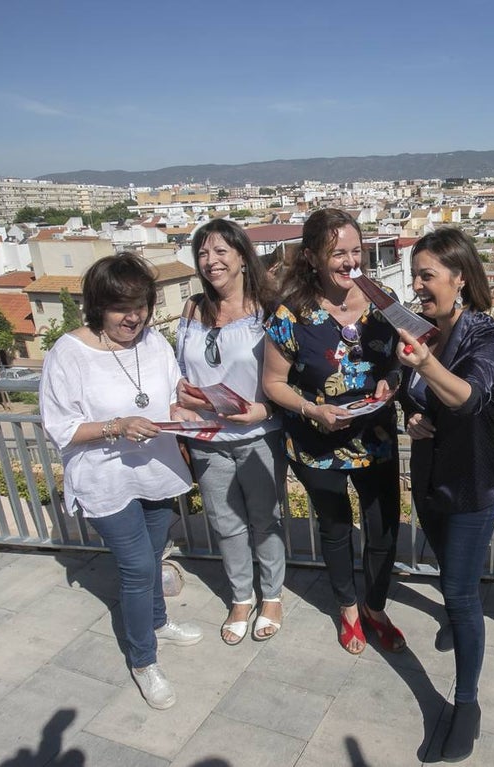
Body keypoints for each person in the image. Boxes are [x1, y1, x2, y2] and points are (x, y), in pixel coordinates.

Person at [40, 251, 202, 710]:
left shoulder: (153, 343)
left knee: (152, 557)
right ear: (98, 307)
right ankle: (143, 659)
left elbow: (171, 393)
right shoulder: (68, 354)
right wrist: (117, 425)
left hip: (155, 469)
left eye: (141, 305)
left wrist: (180, 410)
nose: (133, 317)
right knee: (136, 568)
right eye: (120, 308)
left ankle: (156, 621)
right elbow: (61, 428)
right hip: (104, 478)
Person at [262, 208, 405, 655]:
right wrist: (311, 408)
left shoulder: (383, 300)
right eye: (337, 253)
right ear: (312, 258)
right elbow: (272, 383)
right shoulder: (292, 316)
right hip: (318, 443)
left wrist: (392, 383)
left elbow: (401, 360)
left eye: (355, 251)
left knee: (383, 529)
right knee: (337, 528)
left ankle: (375, 608)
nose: (349, 262)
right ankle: (347, 608)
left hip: (376, 440)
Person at [396, 228, 494, 762]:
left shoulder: (486, 333)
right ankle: (455, 616)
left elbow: (468, 399)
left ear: (460, 278)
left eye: (427, 275)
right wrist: (412, 414)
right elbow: (413, 397)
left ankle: (467, 705)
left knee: (461, 594)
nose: (418, 285)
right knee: (449, 577)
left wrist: (425, 365)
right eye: (415, 275)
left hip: (471, 484)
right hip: (430, 478)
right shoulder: (427, 331)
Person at [175, 218, 287, 645]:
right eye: (203, 253)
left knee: (265, 520)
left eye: (221, 251)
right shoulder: (191, 309)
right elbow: (179, 368)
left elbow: (290, 375)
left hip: (259, 435)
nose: (211, 260)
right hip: (206, 437)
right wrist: (181, 392)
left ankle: (272, 595)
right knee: (226, 524)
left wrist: (263, 407)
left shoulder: (268, 309)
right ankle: (242, 597)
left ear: (242, 256)